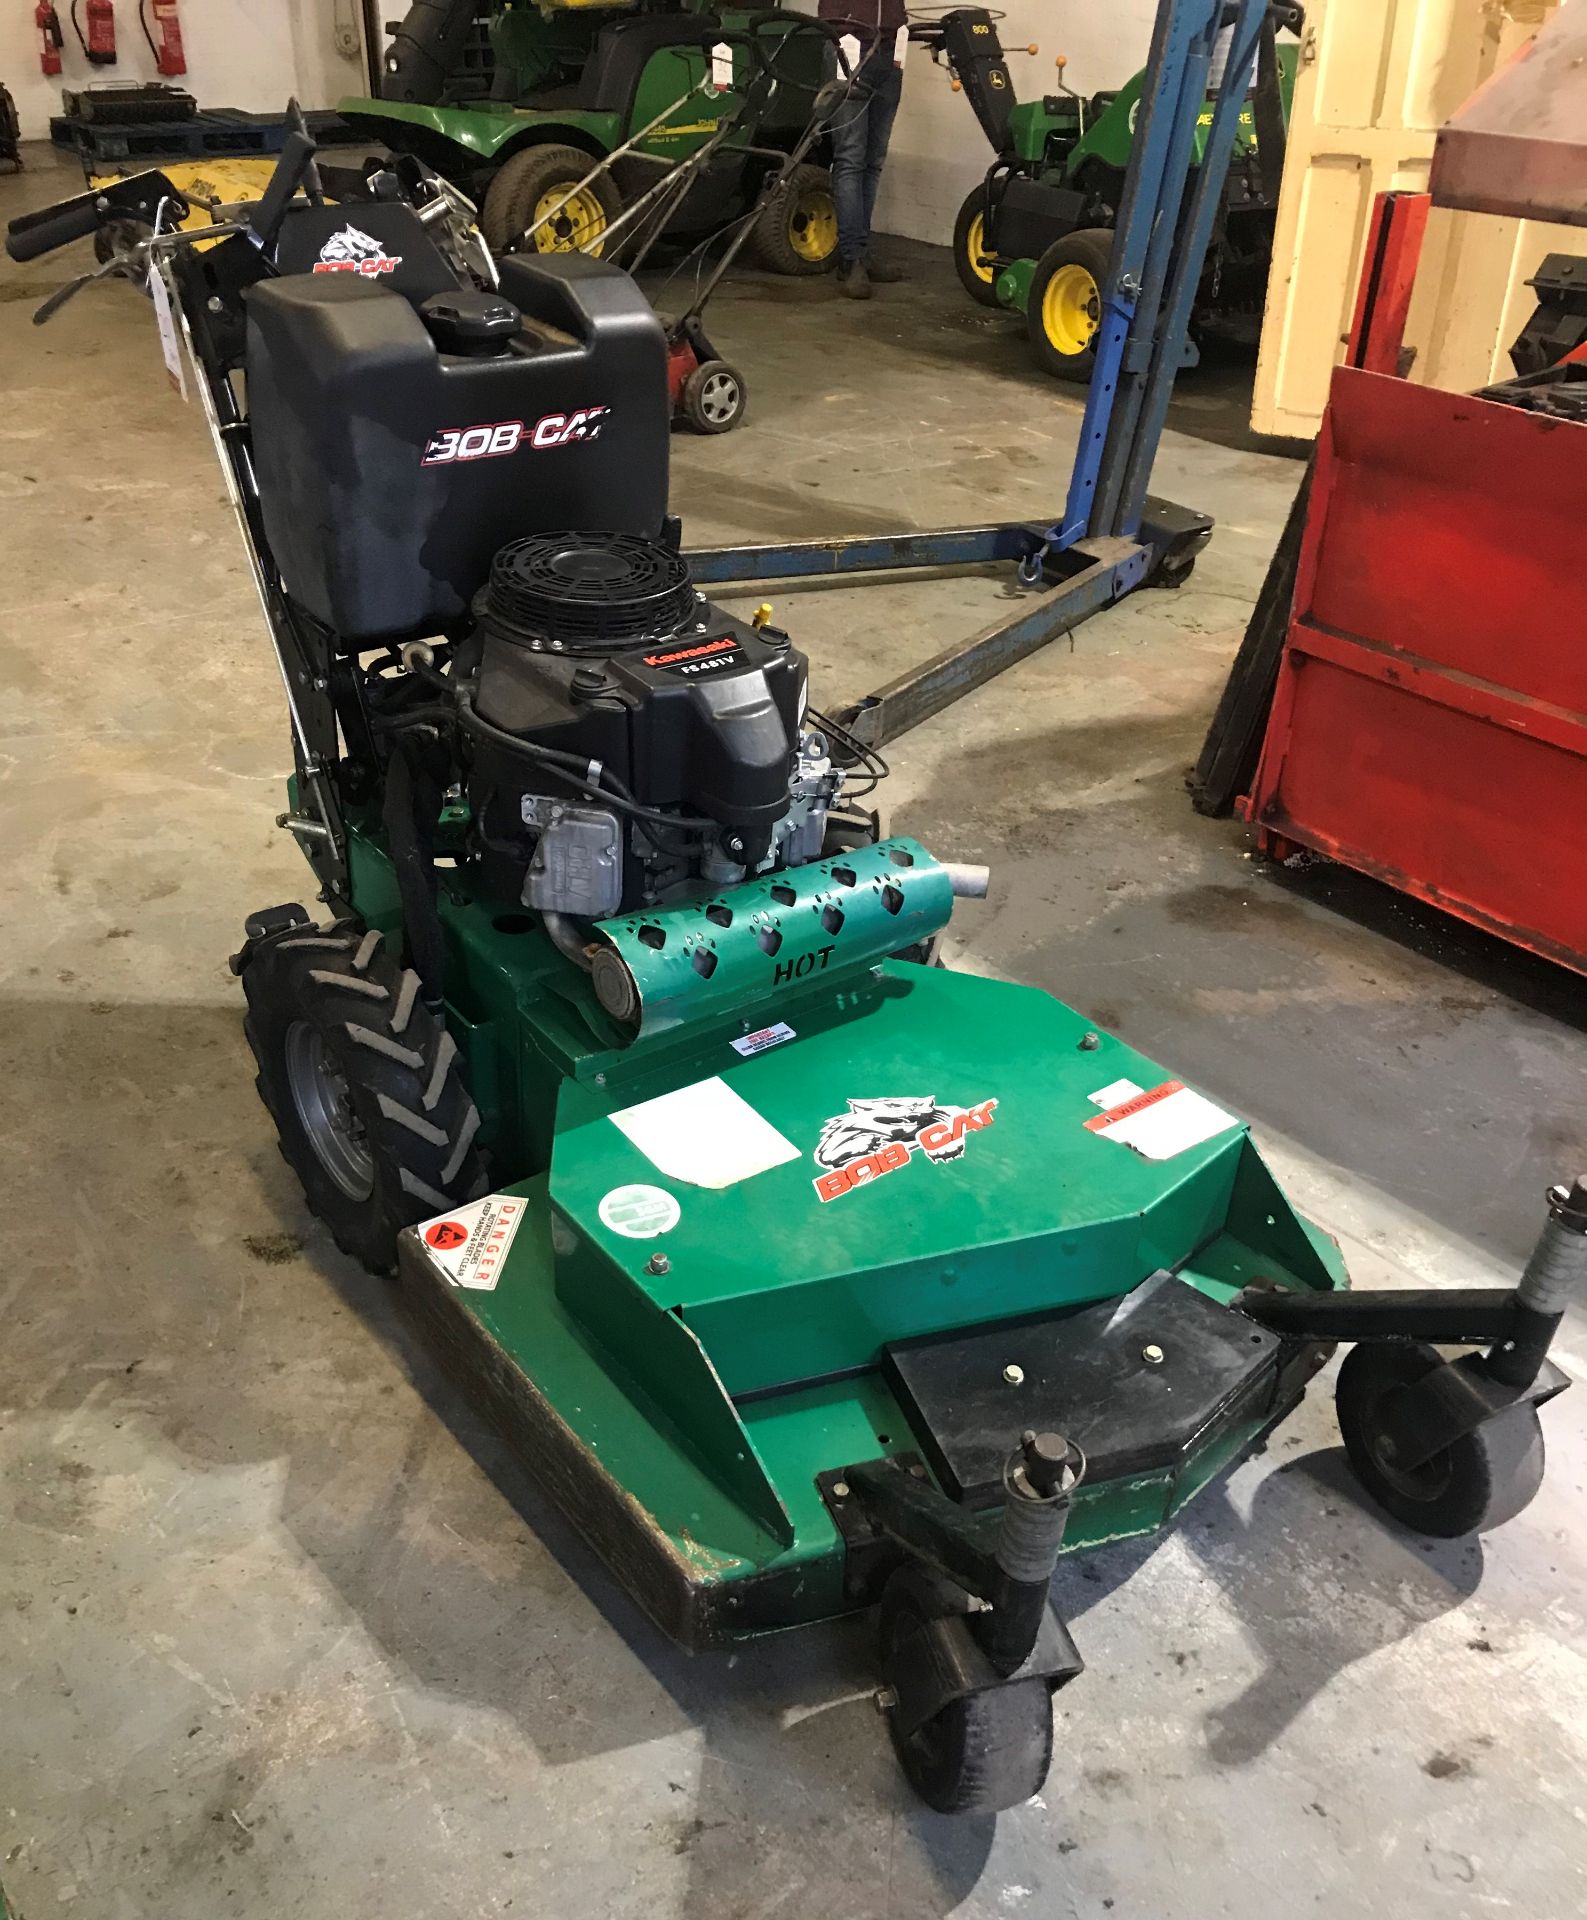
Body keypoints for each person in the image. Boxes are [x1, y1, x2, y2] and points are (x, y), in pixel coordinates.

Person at [817, 0, 910, 299]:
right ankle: (850, 257)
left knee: (873, 161)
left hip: (889, 49)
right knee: (851, 158)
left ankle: (861, 250)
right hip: (849, 46)